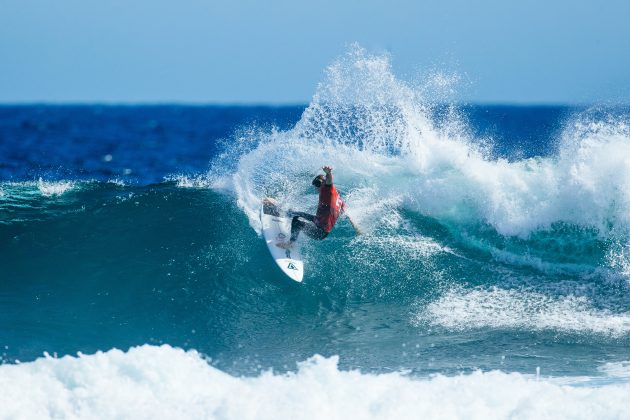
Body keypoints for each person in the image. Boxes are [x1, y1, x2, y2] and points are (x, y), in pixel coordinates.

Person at [277, 166, 361, 249]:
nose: (316, 190)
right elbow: (348, 214)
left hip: (319, 232)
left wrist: (328, 173)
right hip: (317, 221)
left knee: (297, 221)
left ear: (321, 185)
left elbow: (329, 181)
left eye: (316, 187)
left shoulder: (327, 191)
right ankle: (282, 211)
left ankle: (290, 244)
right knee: (296, 213)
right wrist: (357, 229)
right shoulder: (338, 199)